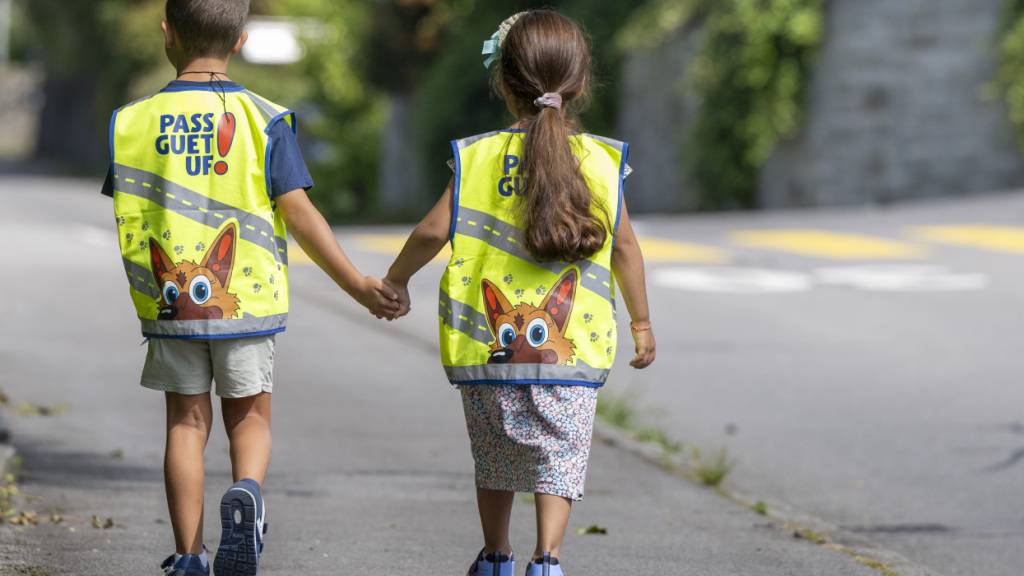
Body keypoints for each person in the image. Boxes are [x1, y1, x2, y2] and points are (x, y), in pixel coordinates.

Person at [102, 1, 400, 574]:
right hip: (245, 305)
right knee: (250, 419)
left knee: (185, 424)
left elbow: (133, 210)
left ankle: (189, 556)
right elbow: (300, 214)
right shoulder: (266, 118)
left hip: (170, 306)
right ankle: (248, 493)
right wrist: (358, 284)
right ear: (240, 39)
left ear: (167, 34)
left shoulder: (131, 121)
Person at [383, 10, 656, 576]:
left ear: (503, 83)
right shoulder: (601, 160)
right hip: (572, 348)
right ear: (579, 84)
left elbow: (433, 231)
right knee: (559, 459)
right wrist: (641, 322)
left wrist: (395, 280)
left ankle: (497, 555)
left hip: (488, 347)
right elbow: (626, 247)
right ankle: (547, 559)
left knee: (495, 460)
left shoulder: (478, 156)